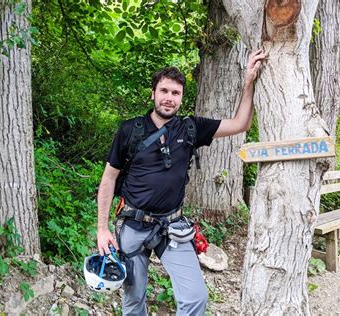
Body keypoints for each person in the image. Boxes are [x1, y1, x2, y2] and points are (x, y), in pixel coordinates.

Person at [97, 49, 267, 315]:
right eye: (164, 91)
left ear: (181, 98)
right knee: (133, 301)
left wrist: (248, 83)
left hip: (171, 226)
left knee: (195, 297)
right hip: (132, 224)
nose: (169, 98)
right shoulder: (130, 130)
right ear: (153, 93)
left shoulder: (191, 128)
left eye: (175, 93)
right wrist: (102, 228)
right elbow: (109, 178)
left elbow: (240, 124)